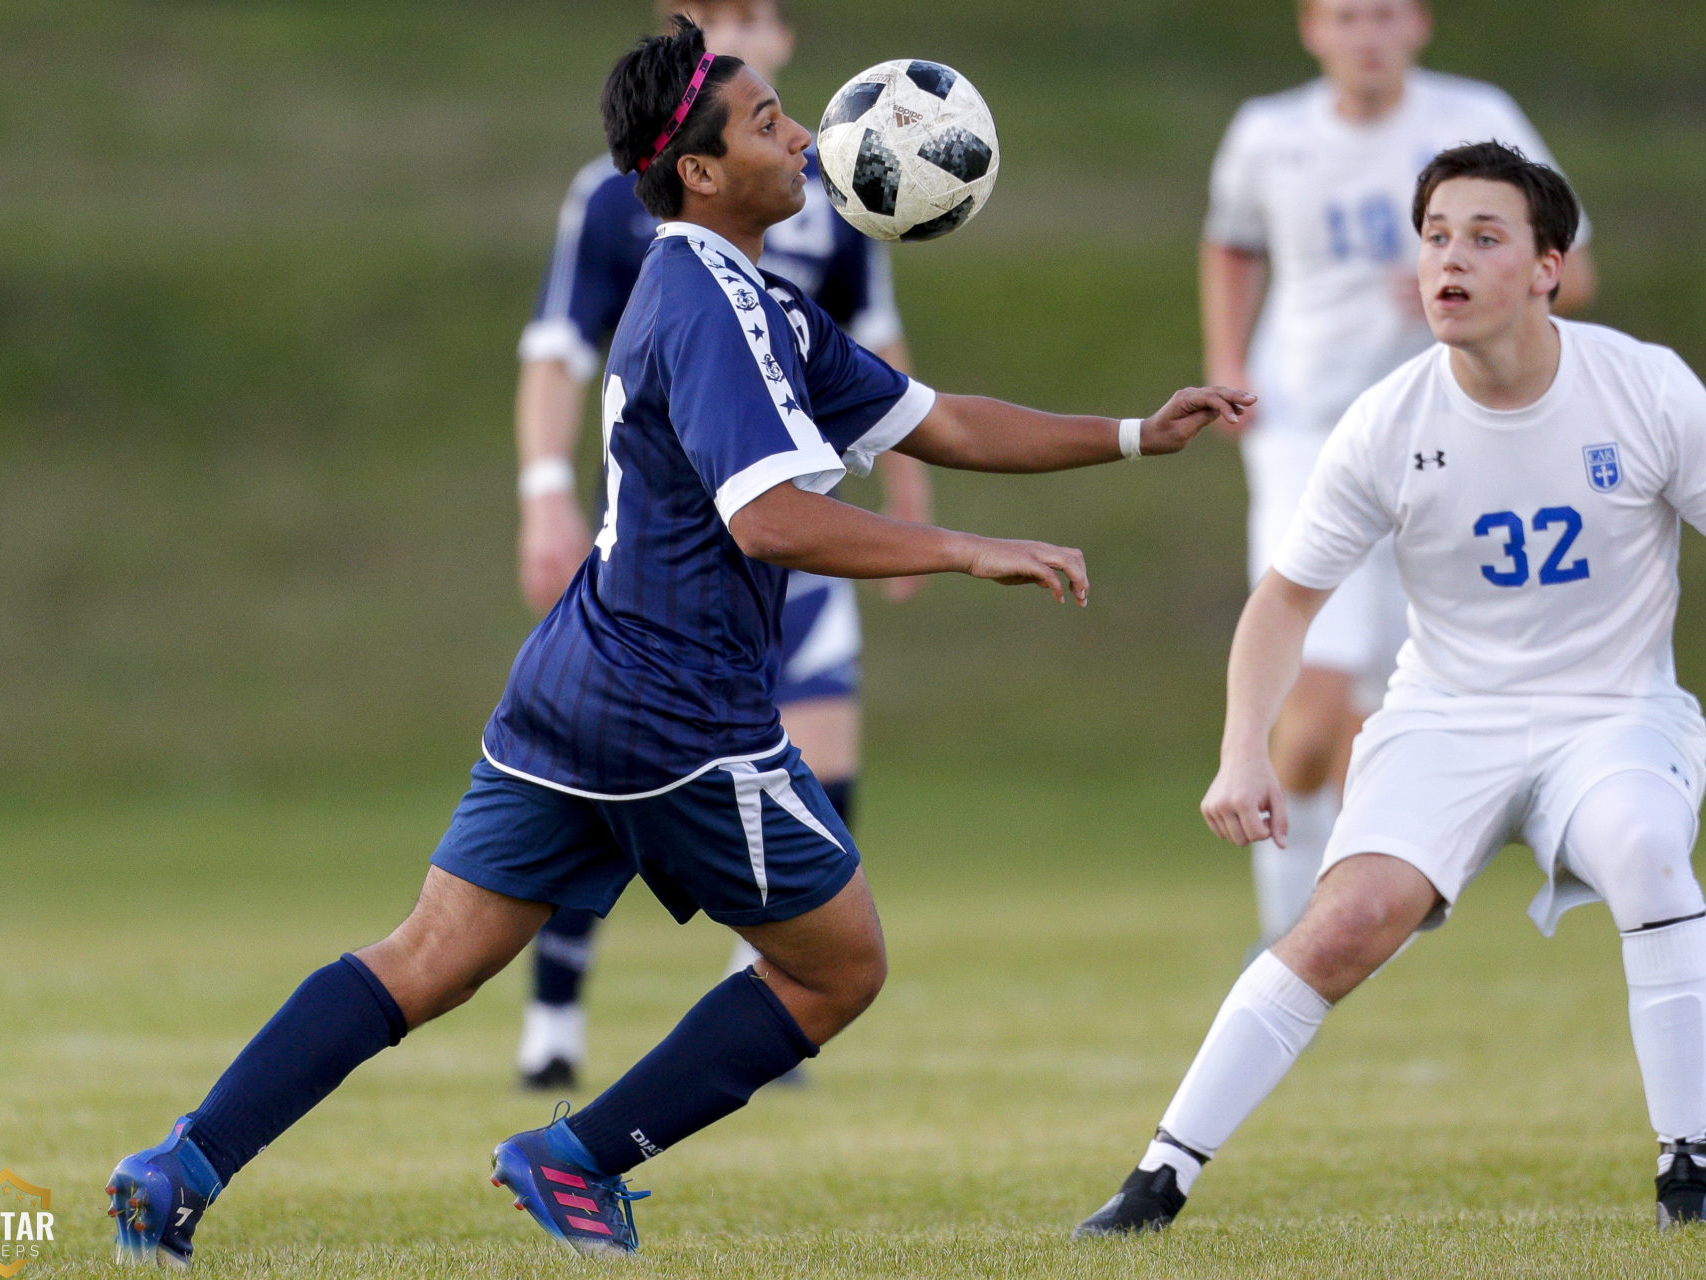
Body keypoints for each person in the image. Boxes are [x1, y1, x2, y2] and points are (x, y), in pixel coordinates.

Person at [107, 17, 1253, 1264]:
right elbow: (765, 520)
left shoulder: (751, 295)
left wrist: (1141, 431)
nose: (806, 135)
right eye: (771, 123)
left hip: (573, 683)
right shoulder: (705, 298)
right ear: (700, 171)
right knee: (837, 967)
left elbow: (945, 421)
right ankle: (576, 1155)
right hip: (679, 713)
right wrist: (970, 550)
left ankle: (181, 1163)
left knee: (427, 955)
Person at [1076, 142, 1706, 1238]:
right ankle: (1155, 1180)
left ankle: (1687, 1170)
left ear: (1550, 265)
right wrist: (1243, 747)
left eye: (1483, 235)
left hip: (1613, 716)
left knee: (1648, 844)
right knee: (1345, 921)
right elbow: (1284, 602)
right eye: (1432, 237)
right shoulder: (1388, 420)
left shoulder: (1643, 386)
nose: (1447, 260)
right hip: (1446, 718)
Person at [512, 0, 930, 1093]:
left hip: (799, 544)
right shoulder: (624, 210)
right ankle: (555, 1022)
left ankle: (772, 985)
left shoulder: (833, 195)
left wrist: (919, 511)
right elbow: (557, 351)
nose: (739, 27)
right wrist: (545, 489)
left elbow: (885, 372)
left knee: (822, 764)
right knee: (599, 795)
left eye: (756, 15)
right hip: (680, 552)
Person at [1202, 0, 1598, 952]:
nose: (1365, 34)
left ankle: (1341, 922)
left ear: (1418, 24)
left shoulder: (1477, 121)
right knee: (1316, 691)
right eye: (1346, 16)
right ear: (1310, 28)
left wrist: (1474, 289)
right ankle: (1291, 929)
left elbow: (1572, 274)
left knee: (1376, 713)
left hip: (1444, 437)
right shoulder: (1270, 134)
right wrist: (1229, 362)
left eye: (1384, 14)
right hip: (1304, 433)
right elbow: (1231, 243)